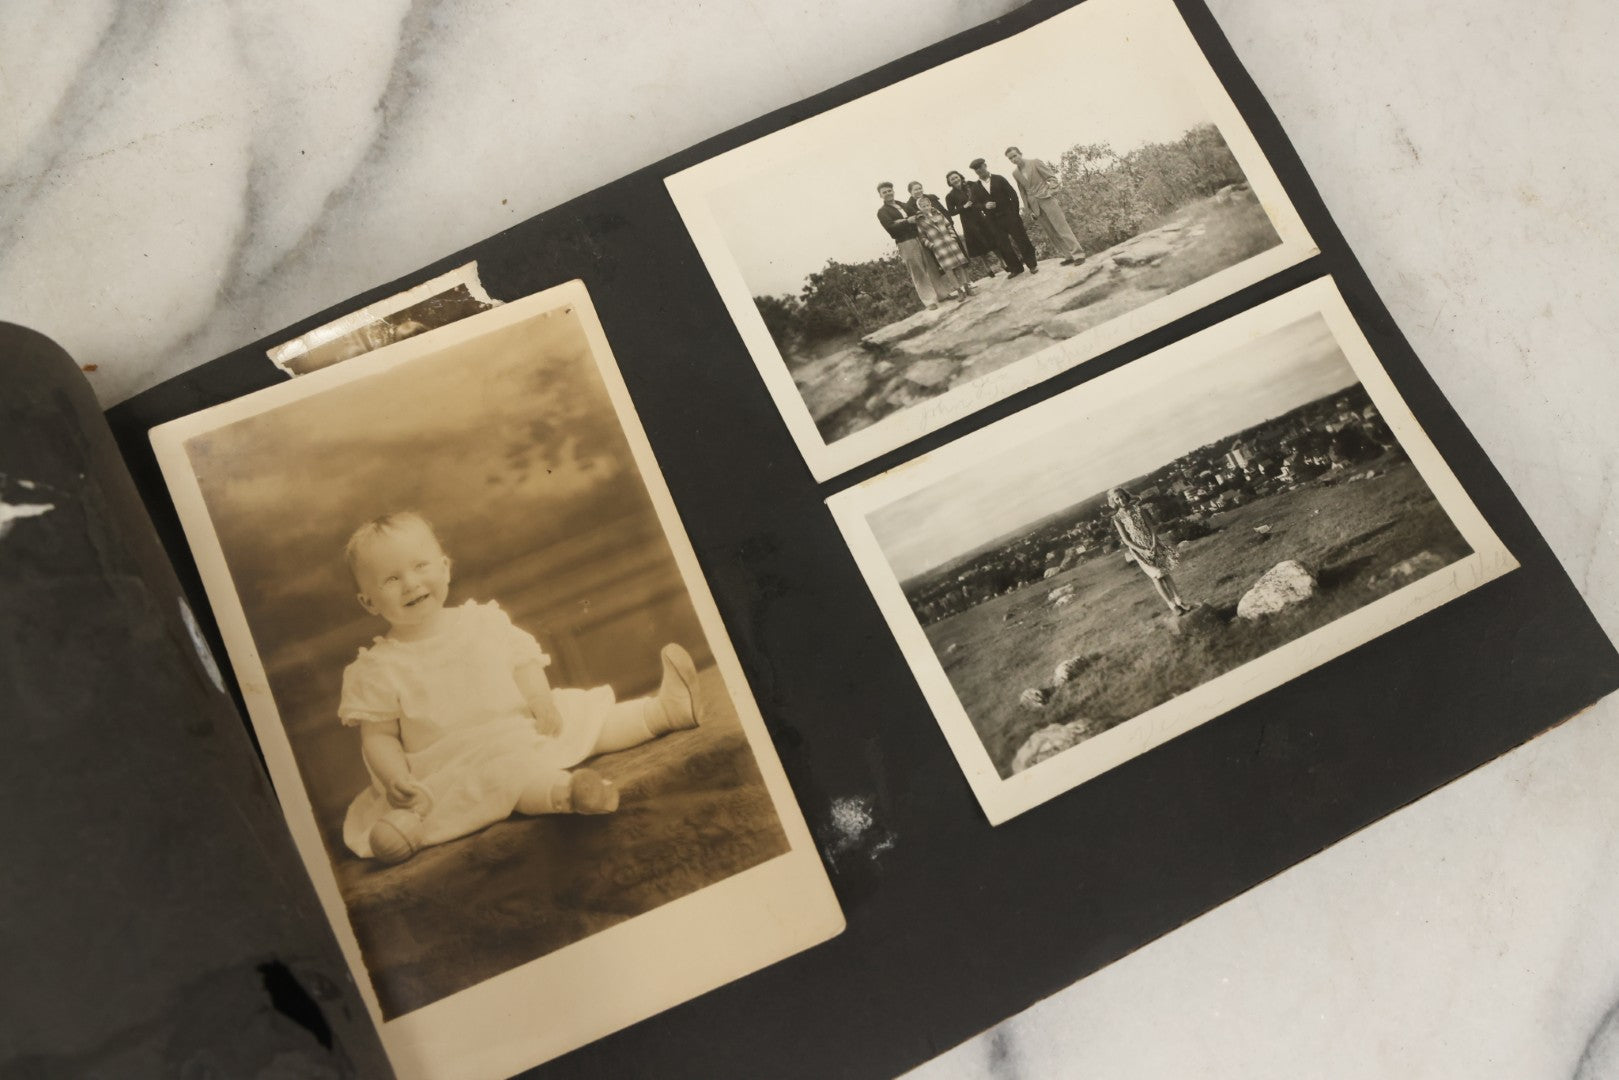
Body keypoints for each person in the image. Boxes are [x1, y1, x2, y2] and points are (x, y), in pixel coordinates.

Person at [336, 512, 703, 864]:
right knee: (506, 775)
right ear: (369, 602)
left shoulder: (482, 620)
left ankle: (663, 712)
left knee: (582, 715)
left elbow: (522, 662)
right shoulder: (378, 669)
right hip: (458, 761)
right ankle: (567, 793)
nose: (412, 583)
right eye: (391, 579)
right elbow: (379, 738)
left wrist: (540, 699)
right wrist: (395, 777)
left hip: (518, 725)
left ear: (445, 567)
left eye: (420, 566)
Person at [1108, 487, 1194, 616]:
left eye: (1122, 496)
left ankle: (1180, 601)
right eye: (1117, 499)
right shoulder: (1117, 518)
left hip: (1153, 543)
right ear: (1114, 502)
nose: (1121, 500)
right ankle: (1172, 606)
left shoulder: (1139, 509)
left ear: (1126, 495)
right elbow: (1126, 540)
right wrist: (1143, 550)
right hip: (1139, 550)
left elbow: (1151, 527)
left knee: (1165, 573)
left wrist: (1154, 544)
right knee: (1156, 576)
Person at [876, 180, 952, 309]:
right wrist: (907, 221)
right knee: (918, 271)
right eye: (884, 192)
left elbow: (917, 214)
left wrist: (904, 220)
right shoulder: (882, 212)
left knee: (931, 266)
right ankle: (930, 301)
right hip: (906, 242)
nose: (888, 193)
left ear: (893, 191)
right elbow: (891, 227)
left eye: (890, 191)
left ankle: (942, 294)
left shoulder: (902, 204)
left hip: (919, 237)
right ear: (880, 195)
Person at [1005, 146, 1086, 265]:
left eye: (1014, 156)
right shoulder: (1015, 173)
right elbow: (1023, 192)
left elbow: (1052, 178)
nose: (1013, 159)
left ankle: (1078, 254)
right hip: (1034, 206)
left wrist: (1051, 191)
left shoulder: (1035, 162)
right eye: (1010, 158)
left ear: (1020, 154)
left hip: (1047, 199)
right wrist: (1029, 210)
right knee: (1051, 232)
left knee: (1062, 228)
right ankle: (1068, 256)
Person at [906, 181, 975, 302]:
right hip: (939, 248)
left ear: (930, 204)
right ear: (919, 208)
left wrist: (953, 237)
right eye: (923, 206)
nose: (926, 207)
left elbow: (948, 225)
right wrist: (932, 246)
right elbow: (922, 237)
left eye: (927, 205)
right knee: (949, 271)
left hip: (951, 244)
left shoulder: (938, 214)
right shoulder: (921, 221)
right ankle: (958, 290)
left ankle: (967, 287)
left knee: (960, 267)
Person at [968, 157, 1038, 275]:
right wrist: (985, 206)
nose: (979, 171)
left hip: (1009, 216)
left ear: (985, 165)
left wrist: (1015, 213)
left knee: (1021, 239)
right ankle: (1016, 269)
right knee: (1003, 245)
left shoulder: (999, 179)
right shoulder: (975, 187)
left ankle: (1032, 265)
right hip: (992, 220)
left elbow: (1013, 195)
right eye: (976, 170)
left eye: (980, 167)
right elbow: (974, 205)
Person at [943, 169, 1015, 277]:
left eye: (956, 177)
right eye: (952, 179)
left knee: (993, 240)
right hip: (968, 222)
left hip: (981, 216)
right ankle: (988, 267)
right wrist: (963, 207)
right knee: (980, 245)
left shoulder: (971, 185)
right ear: (949, 182)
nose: (955, 179)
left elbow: (982, 195)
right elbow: (951, 212)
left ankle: (1002, 262)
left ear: (960, 177)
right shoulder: (950, 196)